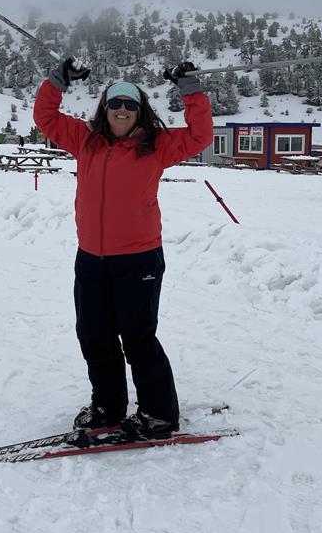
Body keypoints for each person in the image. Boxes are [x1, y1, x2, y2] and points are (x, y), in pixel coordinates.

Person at [33, 56, 213, 440]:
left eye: (131, 104)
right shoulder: (86, 140)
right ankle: (108, 407)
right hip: (91, 259)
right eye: (115, 102)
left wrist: (191, 91)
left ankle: (159, 415)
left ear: (140, 111)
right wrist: (57, 81)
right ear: (105, 107)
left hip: (139, 258)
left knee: (137, 338)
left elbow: (200, 137)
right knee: (94, 335)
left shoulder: (157, 145)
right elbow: (45, 118)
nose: (122, 109)